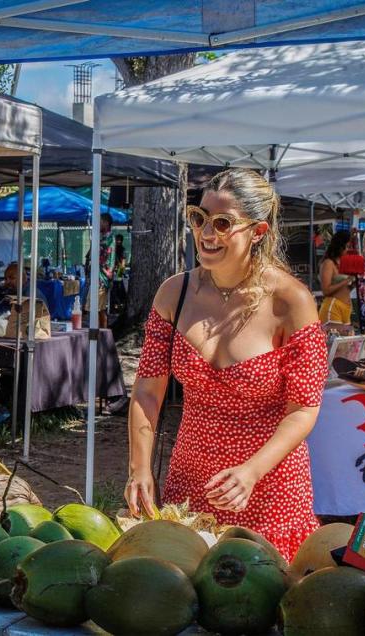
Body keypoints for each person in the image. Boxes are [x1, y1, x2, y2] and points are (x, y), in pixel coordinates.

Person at [124, 168, 328, 561]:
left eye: (222, 223)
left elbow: (303, 409)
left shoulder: (292, 301)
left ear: (258, 231)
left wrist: (251, 471)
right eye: (199, 218)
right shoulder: (173, 292)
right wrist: (139, 468)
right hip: (190, 480)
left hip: (268, 489)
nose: (206, 233)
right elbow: (148, 392)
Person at [85, 212, 115, 328]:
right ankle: (97, 333)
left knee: (98, 308)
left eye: (100, 222)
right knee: (95, 307)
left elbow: (104, 256)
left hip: (102, 278)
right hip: (96, 276)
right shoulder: (101, 237)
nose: (98, 224)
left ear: (106, 223)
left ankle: (100, 334)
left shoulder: (109, 238)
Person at [318, 230, 354, 324]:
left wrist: (353, 283)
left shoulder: (344, 262)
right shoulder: (328, 263)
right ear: (340, 246)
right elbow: (326, 290)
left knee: (348, 338)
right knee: (337, 338)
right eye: (347, 247)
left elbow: (345, 288)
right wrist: (346, 281)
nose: (348, 250)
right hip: (333, 307)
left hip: (346, 308)